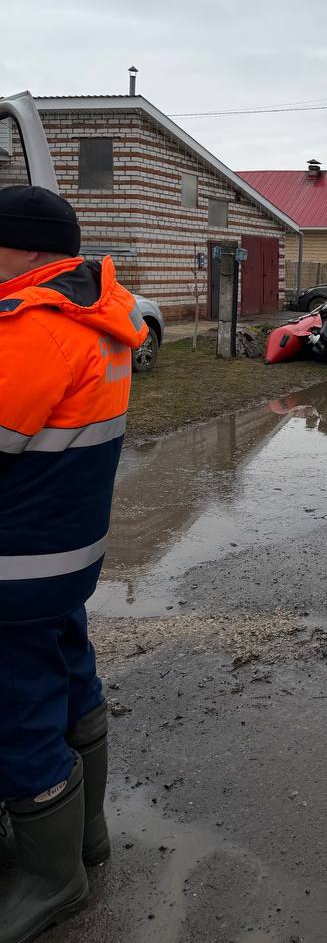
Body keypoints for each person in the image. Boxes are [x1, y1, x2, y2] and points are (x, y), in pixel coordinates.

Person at [0, 186, 146, 942]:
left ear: (23, 248)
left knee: (14, 709)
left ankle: (50, 877)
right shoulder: (100, 318)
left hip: (12, 564)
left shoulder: (32, 331)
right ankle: (84, 837)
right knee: (69, 677)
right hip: (61, 557)